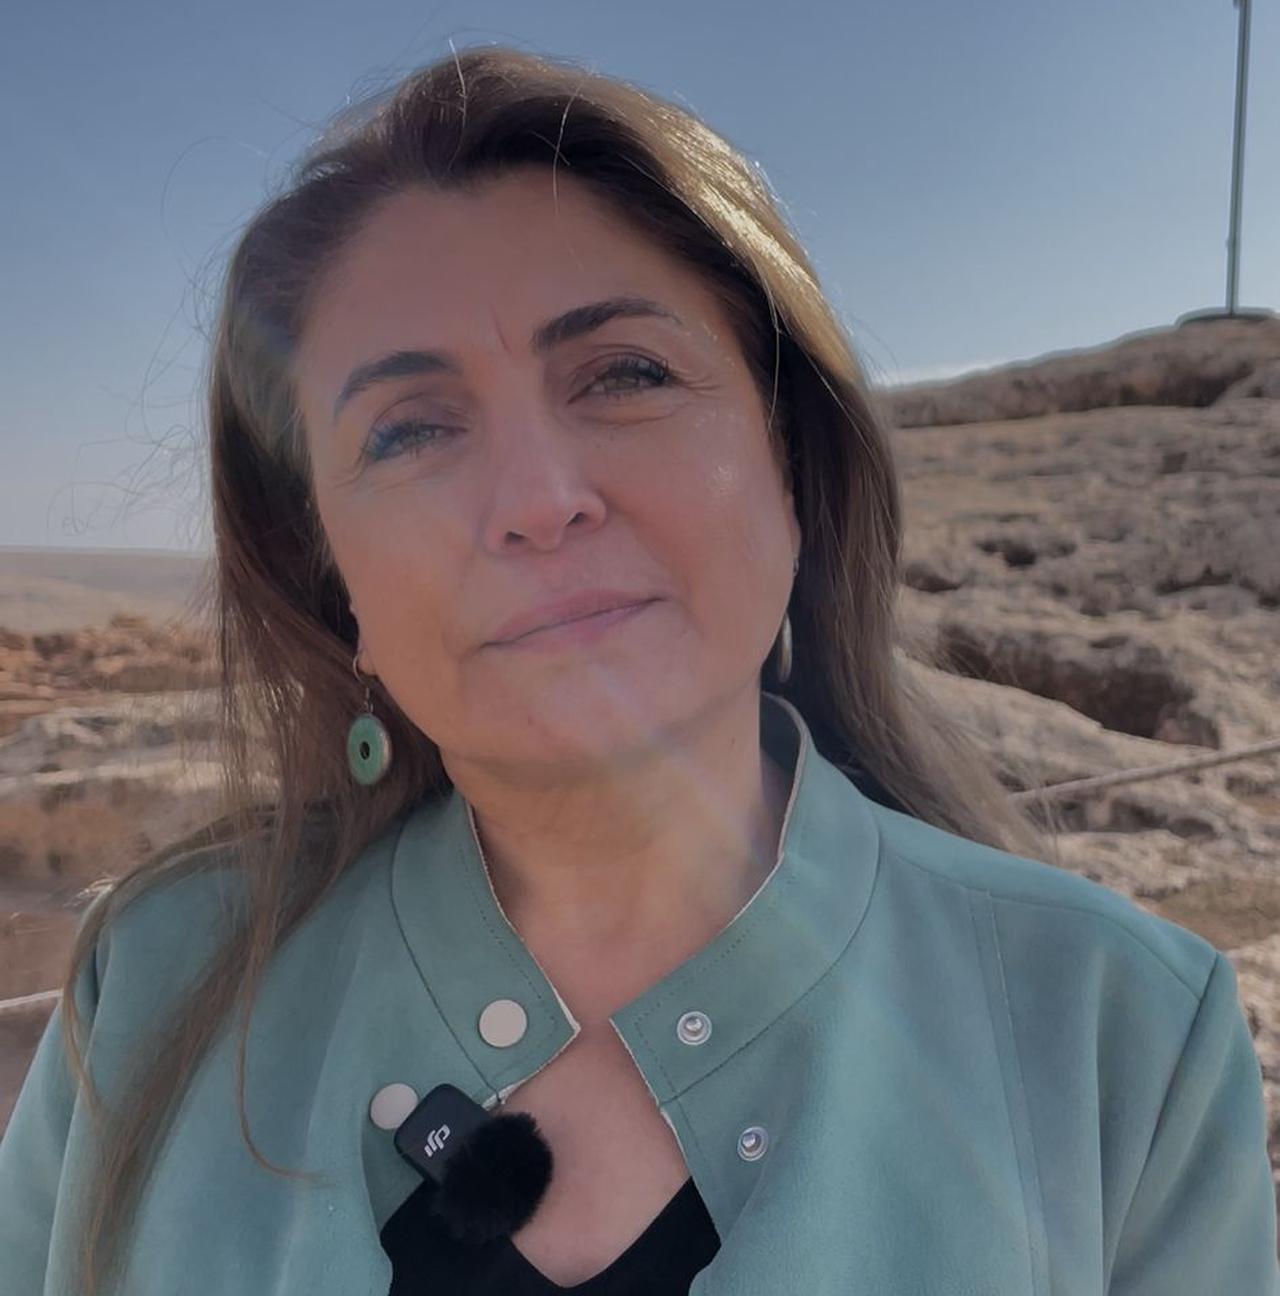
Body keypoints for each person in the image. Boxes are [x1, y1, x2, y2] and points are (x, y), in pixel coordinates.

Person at [1, 42, 1276, 1296]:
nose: (539, 501)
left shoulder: (1120, 1038)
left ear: (792, 471)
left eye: (623, 374)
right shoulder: (156, 988)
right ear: (329, 573)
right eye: (409, 429)